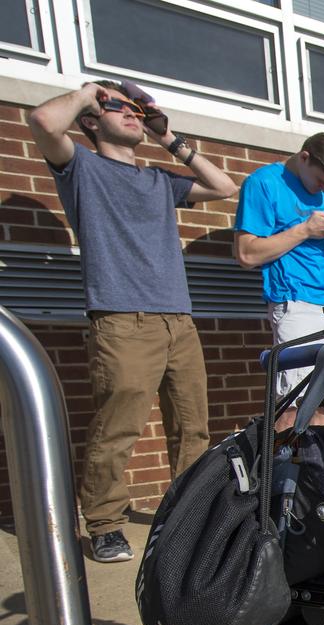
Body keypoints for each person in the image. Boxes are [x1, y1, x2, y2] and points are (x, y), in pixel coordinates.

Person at [27, 80, 237, 563]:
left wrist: (170, 139)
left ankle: (193, 511)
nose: (133, 115)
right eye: (119, 107)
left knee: (193, 428)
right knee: (118, 428)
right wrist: (86, 92)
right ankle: (104, 524)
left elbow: (225, 188)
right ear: (90, 121)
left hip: (179, 322)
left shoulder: (160, 179)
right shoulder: (80, 167)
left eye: (139, 110)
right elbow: (41, 121)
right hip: (122, 319)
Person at [232, 133, 324, 407]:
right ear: (304, 158)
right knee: (293, 404)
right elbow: (245, 254)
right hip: (295, 303)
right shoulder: (264, 183)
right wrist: (304, 230)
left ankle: (318, 453)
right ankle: (286, 453)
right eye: (321, 181)